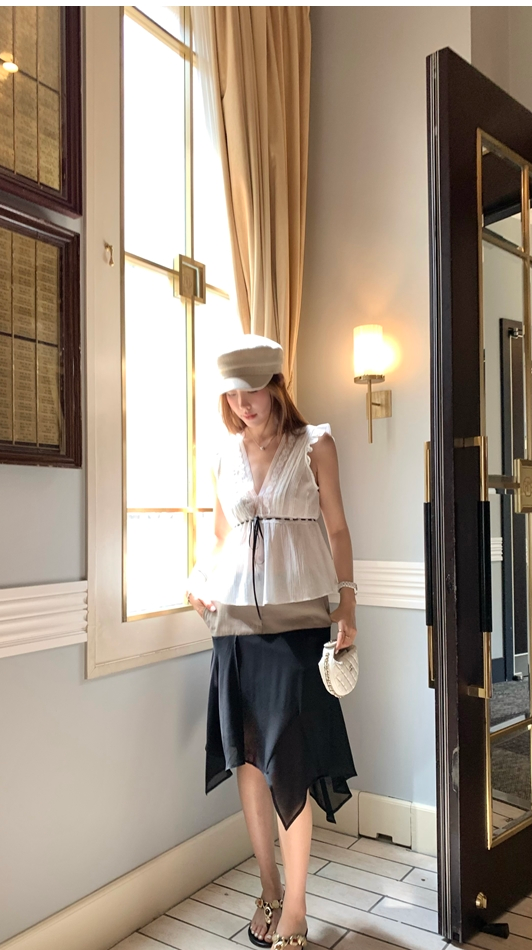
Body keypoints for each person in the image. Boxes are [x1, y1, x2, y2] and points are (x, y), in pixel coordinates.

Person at [186, 334, 358, 950]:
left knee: (288, 763)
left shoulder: (315, 444)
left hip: (297, 624)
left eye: (253, 389)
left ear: (277, 384)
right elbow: (218, 536)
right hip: (233, 625)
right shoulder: (221, 453)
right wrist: (196, 579)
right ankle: (269, 888)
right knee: (249, 762)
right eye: (232, 393)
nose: (242, 403)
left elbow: (337, 529)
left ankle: (298, 907)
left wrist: (348, 603)